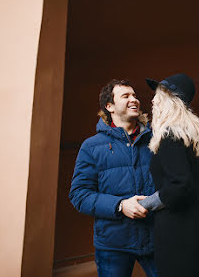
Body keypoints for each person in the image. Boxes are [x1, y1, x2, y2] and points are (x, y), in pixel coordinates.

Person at [69, 79, 157, 277]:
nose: (134, 99)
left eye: (134, 95)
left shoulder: (157, 141)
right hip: (113, 244)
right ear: (109, 106)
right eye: (125, 96)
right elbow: (79, 195)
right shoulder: (91, 146)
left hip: (157, 238)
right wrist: (120, 205)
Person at [139, 73, 199, 277]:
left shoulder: (169, 135)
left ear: (169, 101)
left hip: (178, 233)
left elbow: (180, 184)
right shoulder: (193, 135)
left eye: (158, 95)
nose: (153, 100)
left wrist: (146, 204)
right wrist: (195, 203)